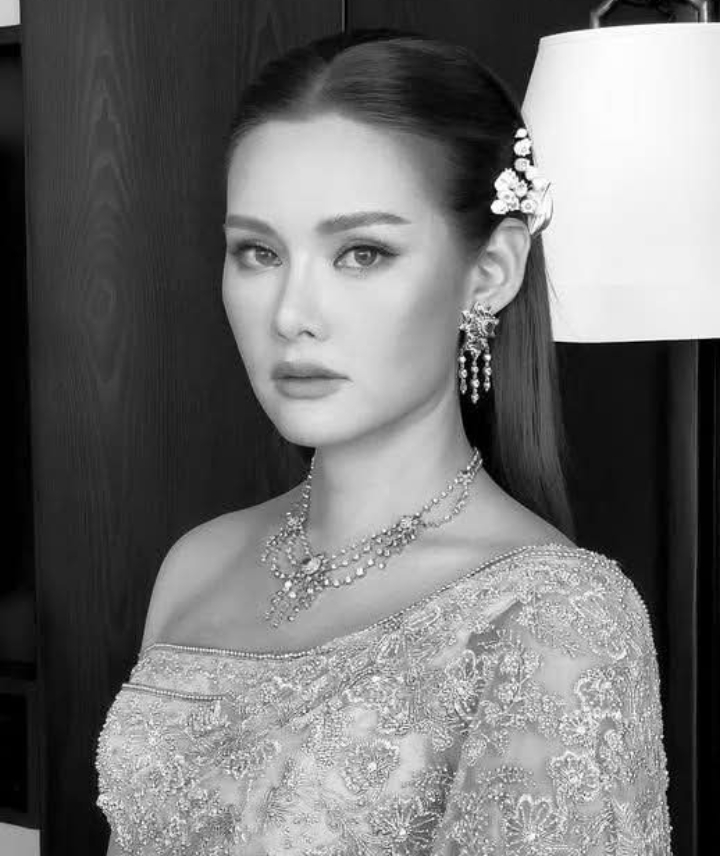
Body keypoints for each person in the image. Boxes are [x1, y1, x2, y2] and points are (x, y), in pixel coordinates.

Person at [95, 28, 672, 856]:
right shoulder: (198, 562)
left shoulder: (551, 617)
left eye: (361, 253)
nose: (292, 314)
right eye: (258, 252)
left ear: (491, 272)